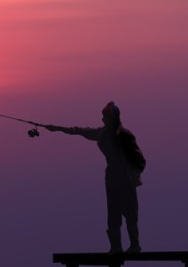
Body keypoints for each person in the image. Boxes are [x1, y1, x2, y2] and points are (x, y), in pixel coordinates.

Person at [44, 102, 146, 253]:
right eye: (103, 116)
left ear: (114, 118)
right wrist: (56, 128)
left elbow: (140, 160)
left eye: (105, 117)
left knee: (130, 213)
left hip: (125, 177)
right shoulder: (102, 133)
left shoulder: (125, 135)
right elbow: (80, 131)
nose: (102, 119)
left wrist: (134, 175)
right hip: (111, 177)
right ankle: (116, 247)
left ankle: (135, 246)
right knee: (113, 213)